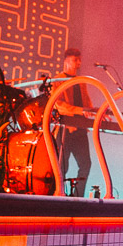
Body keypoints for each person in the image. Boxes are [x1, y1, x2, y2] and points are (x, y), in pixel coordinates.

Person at [53, 48, 94, 197]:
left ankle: (77, 196)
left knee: (86, 164)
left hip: (80, 129)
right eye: (75, 60)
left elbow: (87, 104)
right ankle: (58, 195)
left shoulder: (81, 82)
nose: (78, 63)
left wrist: (98, 114)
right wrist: (80, 111)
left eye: (79, 60)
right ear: (66, 61)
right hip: (65, 129)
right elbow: (59, 105)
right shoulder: (57, 80)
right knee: (61, 167)